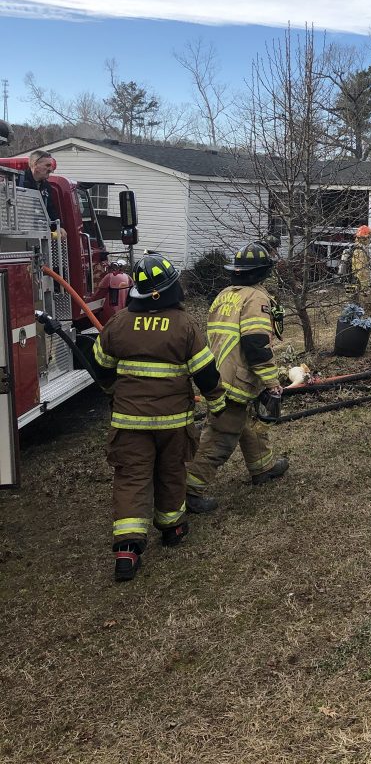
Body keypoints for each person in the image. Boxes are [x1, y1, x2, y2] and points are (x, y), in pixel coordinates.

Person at [92, 252, 226, 582]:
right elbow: (206, 373)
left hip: (129, 423)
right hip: (173, 423)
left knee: (131, 477)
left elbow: (99, 367)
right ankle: (172, 529)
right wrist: (218, 402)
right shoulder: (183, 326)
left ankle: (127, 550)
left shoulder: (119, 323)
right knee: (170, 472)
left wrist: (113, 392)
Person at [185, 241, 289, 512]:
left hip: (217, 374)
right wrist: (271, 381)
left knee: (249, 423)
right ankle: (189, 490)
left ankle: (262, 468)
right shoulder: (256, 298)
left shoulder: (224, 295)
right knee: (221, 436)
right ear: (263, 272)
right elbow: (256, 344)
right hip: (236, 380)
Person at [17, 149, 67, 238]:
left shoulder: (46, 187)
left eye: (51, 166)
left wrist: (58, 227)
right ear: (35, 164)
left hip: (37, 235)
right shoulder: (17, 181)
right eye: (47, 165)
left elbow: (50, 210)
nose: (51, 169)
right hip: (17, 234)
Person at [348, 225, 371, 321]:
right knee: (366, 310)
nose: (370, 240)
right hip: (358, 285)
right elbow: (361, 271)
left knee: (352, 307)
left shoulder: (353, 248)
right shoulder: (360, 251)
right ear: (365, 238)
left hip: (350, 283)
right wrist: (366, 289)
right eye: (369, 237)